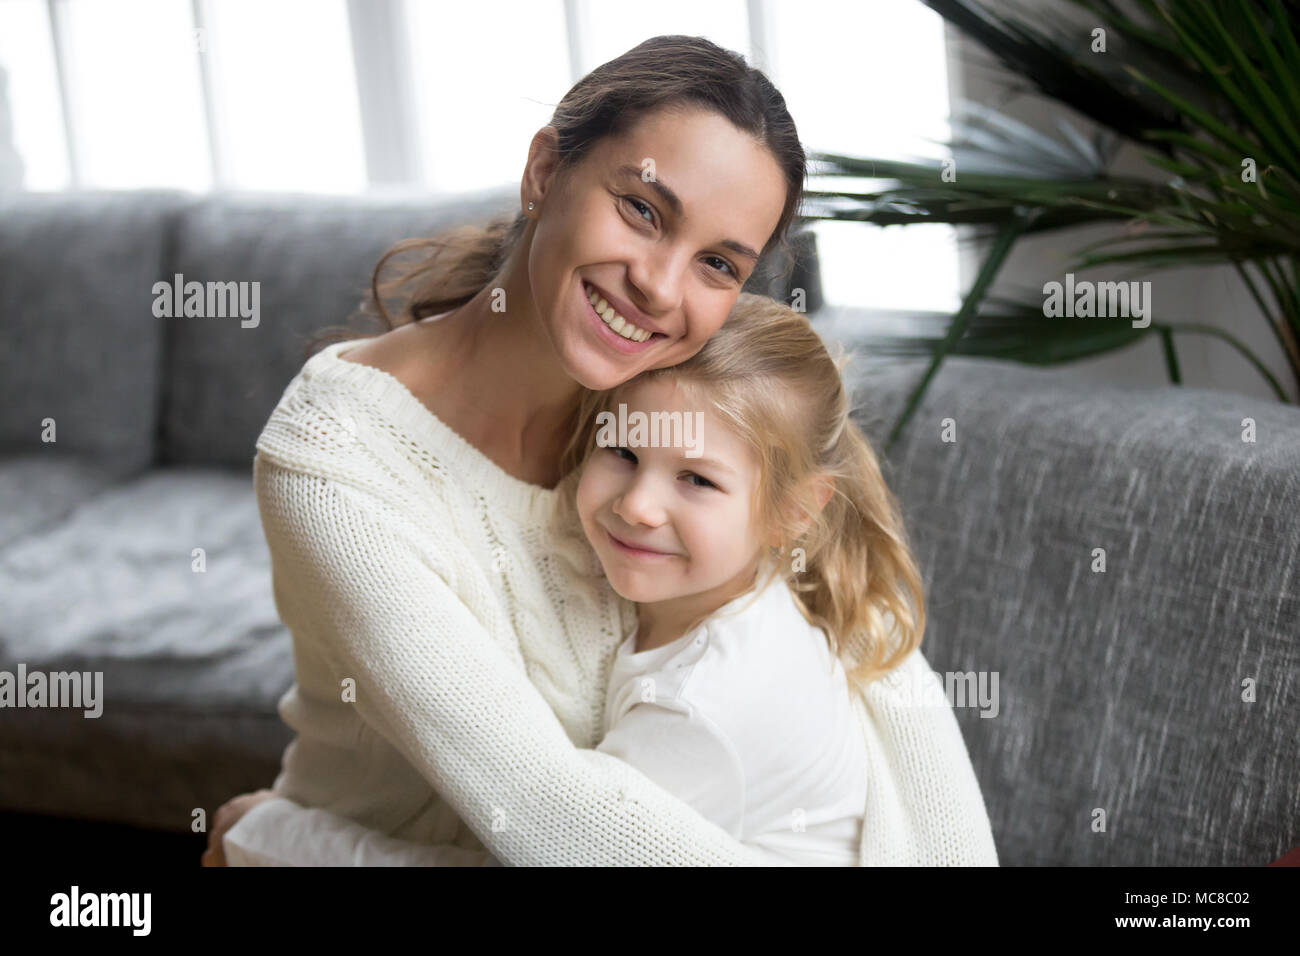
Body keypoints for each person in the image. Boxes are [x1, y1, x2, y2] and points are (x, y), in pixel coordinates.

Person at [219, 295, 999, 866]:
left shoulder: (702, 708)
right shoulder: (731, 598)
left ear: (794, 512)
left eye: (697, 480)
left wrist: (276, 836)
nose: (638, 504)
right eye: (622, 453)